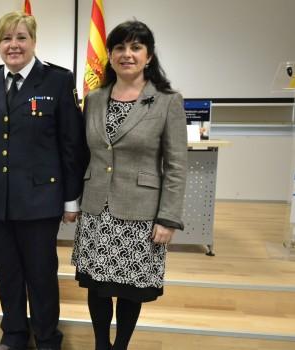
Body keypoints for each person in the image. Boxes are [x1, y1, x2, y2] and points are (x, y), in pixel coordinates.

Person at [71, 20, 187, 350]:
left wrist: (168, 218)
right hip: (96, 209)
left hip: (140, 212)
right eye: (120, 47)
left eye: (136, 47)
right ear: (109, 54)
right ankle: (100, 344)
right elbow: (86, 154)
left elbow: (177, 166)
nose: (127, 54)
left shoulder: (167, 101)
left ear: (149, 56)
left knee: (129, 286)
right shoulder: (94, 98)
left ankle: (120, 345)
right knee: (98, 286)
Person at [0, 12, 88, 350]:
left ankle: (47, 337)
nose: (14, 45)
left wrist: (71, 199)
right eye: (7, 39)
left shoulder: (57, 81)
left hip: (40, 200)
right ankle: (13, 335)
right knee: (7, 274)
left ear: (33, 41)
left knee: (40, 275)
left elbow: (72, 146)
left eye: (21, 37)